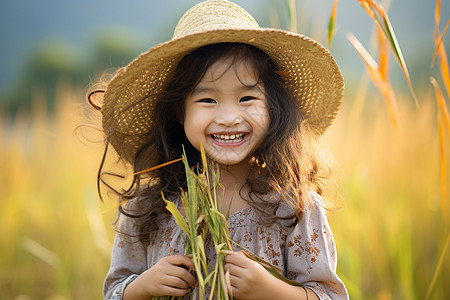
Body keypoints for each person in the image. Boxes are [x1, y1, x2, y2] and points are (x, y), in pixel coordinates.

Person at [89, 1, 348, 299]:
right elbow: (113, 292)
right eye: (207, 100)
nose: (228, 117)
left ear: (273, 108)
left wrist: (273, 290)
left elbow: (330, 295)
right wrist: (140, 288)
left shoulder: (294, 207)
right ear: (179, 112)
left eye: (247, 98)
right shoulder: (149, 209)